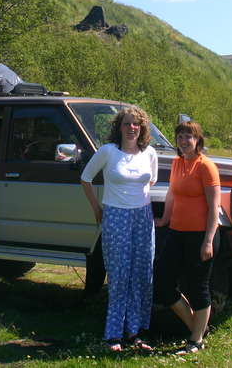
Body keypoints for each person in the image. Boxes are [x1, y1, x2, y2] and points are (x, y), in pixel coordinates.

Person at [80, 106, 158, 352]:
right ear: (119, 127)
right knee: (119, 274)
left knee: (142, 275)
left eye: (136, 124)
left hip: (143, 217)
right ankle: (114, 334)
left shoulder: (150, 153)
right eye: (127, 123)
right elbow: (85, 178)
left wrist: (137, 200)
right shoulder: (108, 151)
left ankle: (135, 332)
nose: (131, 128)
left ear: (142, 128)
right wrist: (97, 209)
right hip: (115, 216)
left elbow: (151, 180)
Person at [155, 120, 222, 355]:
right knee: (162, 283)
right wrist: (164, 219)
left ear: (198, 140)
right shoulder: (177, 163)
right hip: (176, 232)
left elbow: (214, 207)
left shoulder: (206, 167)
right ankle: (197, 327)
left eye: (189, 137)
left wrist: (208, 240)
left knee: (197, 286)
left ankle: (195, 340)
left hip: (201, 235)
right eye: (180, 137)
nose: (184, 141)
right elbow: (172, 194)